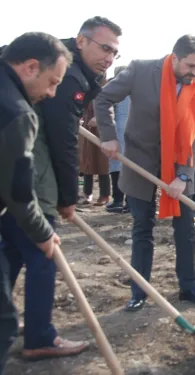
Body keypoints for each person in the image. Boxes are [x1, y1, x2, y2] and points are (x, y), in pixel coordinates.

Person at [1, 17, 121, 360]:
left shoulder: (58, 66)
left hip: (19, 180)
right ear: (81, 42)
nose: (110, 57)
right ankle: (39, 335)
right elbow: (63, 141)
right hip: (33, 179)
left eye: (115, 51)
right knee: (42, 252)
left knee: (10, 246)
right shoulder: (63, 77)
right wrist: (66, 199)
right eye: (104, 47)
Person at [95, 35, 195, 311]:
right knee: (142, 228)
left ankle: (188, 287)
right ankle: (139, 291)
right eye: (191, 66)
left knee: (185, 230)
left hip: (181, 163)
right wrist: (108, 136)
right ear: (175, 58)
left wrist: (184, 176)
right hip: (141, 162)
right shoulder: (140, 71)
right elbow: (103, 99)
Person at [0, 32, 70, 373]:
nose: (51, 93)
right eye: (52, 82)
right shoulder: (17, 113)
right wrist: (43, 233)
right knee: (3, 322)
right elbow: (17, 191)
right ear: (30, 67)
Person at [78, 77, 110, 206]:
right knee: (87, 161)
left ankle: (104, 194)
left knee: (102, 162)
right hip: (86, 127)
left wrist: (98, 118)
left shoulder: (106, 90)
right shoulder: (86, 89)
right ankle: (87, 193)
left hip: (101, 129)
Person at [106, 65, 130, 213]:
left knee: (117, 167)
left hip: (118, 133)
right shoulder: (137, 90)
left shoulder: (114, 89)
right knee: (129, 168)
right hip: (133, 133)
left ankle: (118, 200)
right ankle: (129, 202)